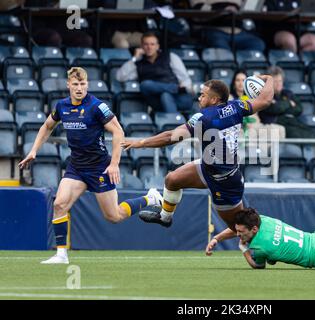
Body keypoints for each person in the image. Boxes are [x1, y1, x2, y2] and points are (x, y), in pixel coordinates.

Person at [18, 67, 160, 264]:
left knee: (114, 216)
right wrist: (34, 150)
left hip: (99, 168)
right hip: (76, 167)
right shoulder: (62, 106)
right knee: (59, 204)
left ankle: (149, 198)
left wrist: (114, 164)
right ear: (68, 85)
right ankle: (61, 254)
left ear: (87, 85)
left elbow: (118, 132)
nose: (79, 88)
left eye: (83, 84)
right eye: (75, 84)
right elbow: (47, 126)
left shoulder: (96, 106)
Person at [121, 76, 274, 231]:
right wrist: (269, 79)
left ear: (214, 99)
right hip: (208, 167)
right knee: (172, 179)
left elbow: (170, 137)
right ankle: (165, 217)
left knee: (239, 229)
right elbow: (265, 100)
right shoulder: (237, 107)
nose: (199, 98)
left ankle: (266, 245)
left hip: (225, 182)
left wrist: (140, 143)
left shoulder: (203, 117)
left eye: (203, 95)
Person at [116, 32, 193, 113]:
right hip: (157, 101)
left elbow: (185, 79)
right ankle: (173, 89)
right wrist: (134, 58)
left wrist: (185, 88)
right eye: (146, 44)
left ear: (157, 46)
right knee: (145, 85)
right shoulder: (138, 64)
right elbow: (120, 77)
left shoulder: (170, 57)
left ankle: (171, 121)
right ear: (141, 46)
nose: (149, 47)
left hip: (179, 98)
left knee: (165, 95)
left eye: (152, 44)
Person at [258, 66, 315, 138]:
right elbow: (276, 108)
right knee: (302, 135)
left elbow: (299, 109)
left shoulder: (287, 93)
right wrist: (289, 103)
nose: (278, 84)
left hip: (292, 122)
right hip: (276, 125)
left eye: (280, 81)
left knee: (313, 134)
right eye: (275, 81)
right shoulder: (264, 95)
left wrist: (280, 106)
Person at [229, 69, 286, 140]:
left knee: (280, 129)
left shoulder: (252, 96)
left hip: (256, 126)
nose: (241, 83)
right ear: (234, 83)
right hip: (241, 128)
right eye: (238, 80)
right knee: (251, 134)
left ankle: (274, 150)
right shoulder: (230, 98)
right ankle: (259, 150)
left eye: (243, 80)